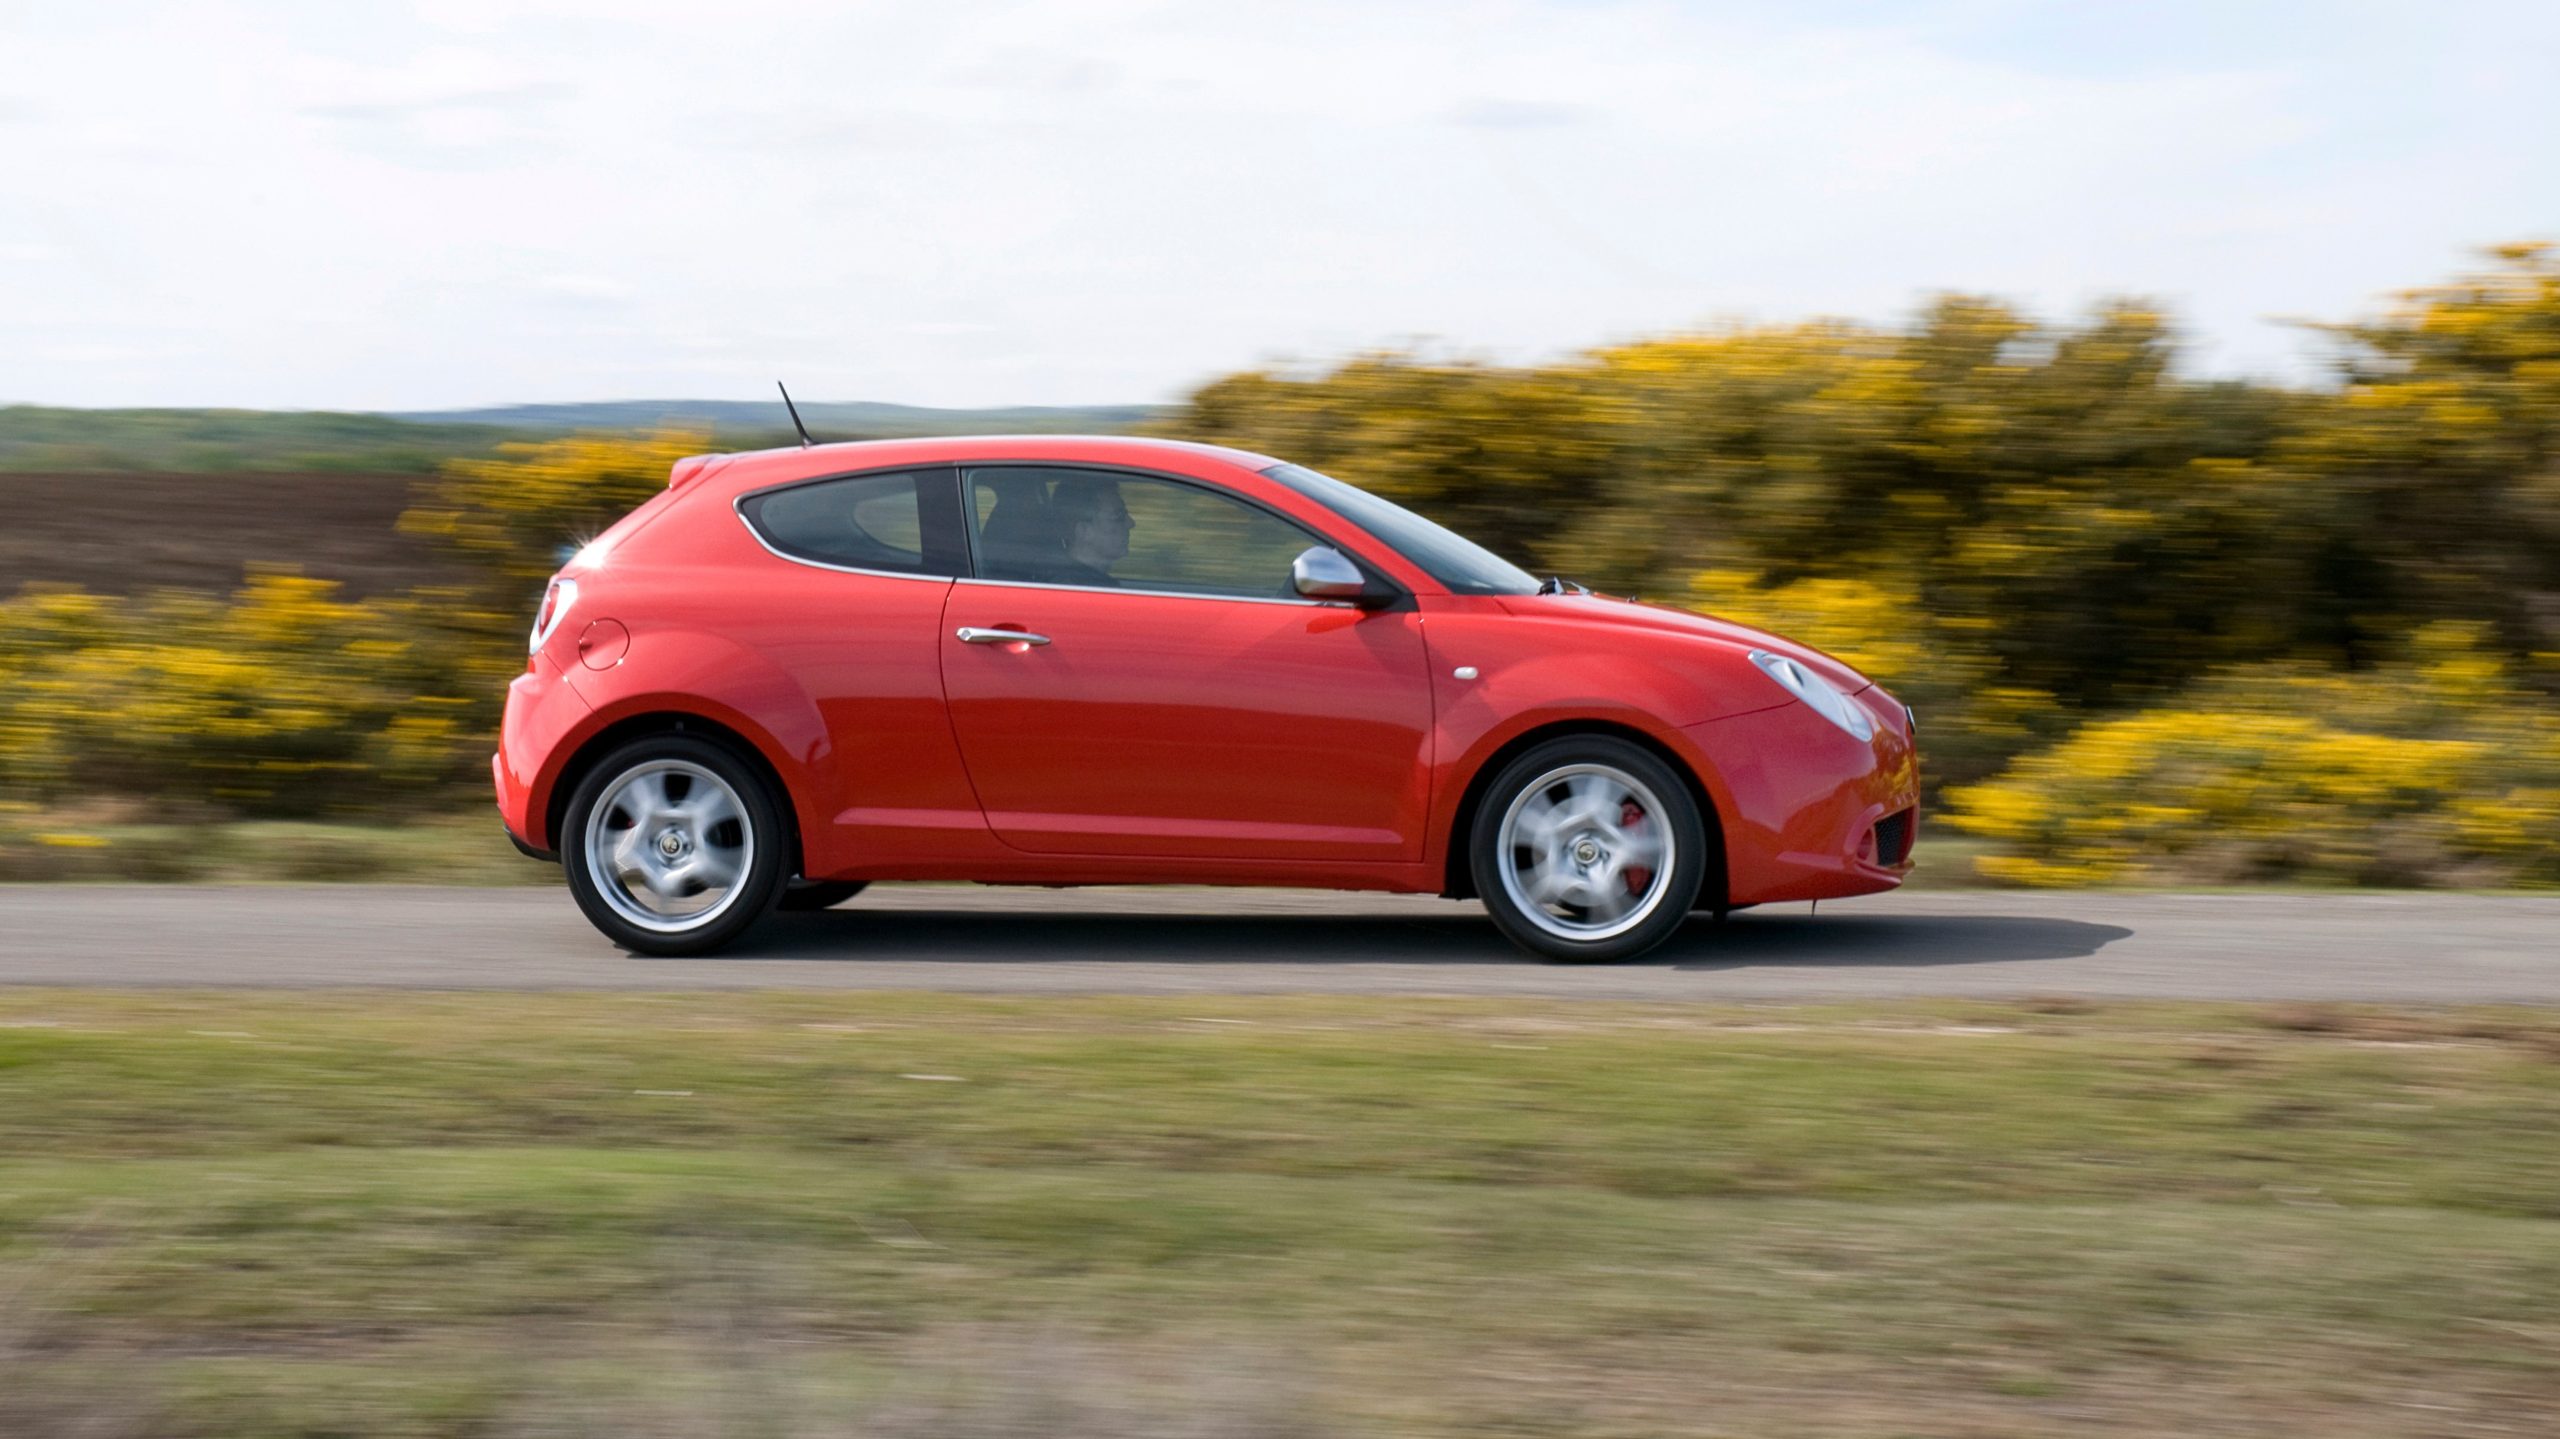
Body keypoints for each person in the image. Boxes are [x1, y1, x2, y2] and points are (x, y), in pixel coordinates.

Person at [1044, 475, 1133, 586]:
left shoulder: (1080, 583)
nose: (1131, 523)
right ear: (1084, 531)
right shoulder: (1073, 589)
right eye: (1118, 516)